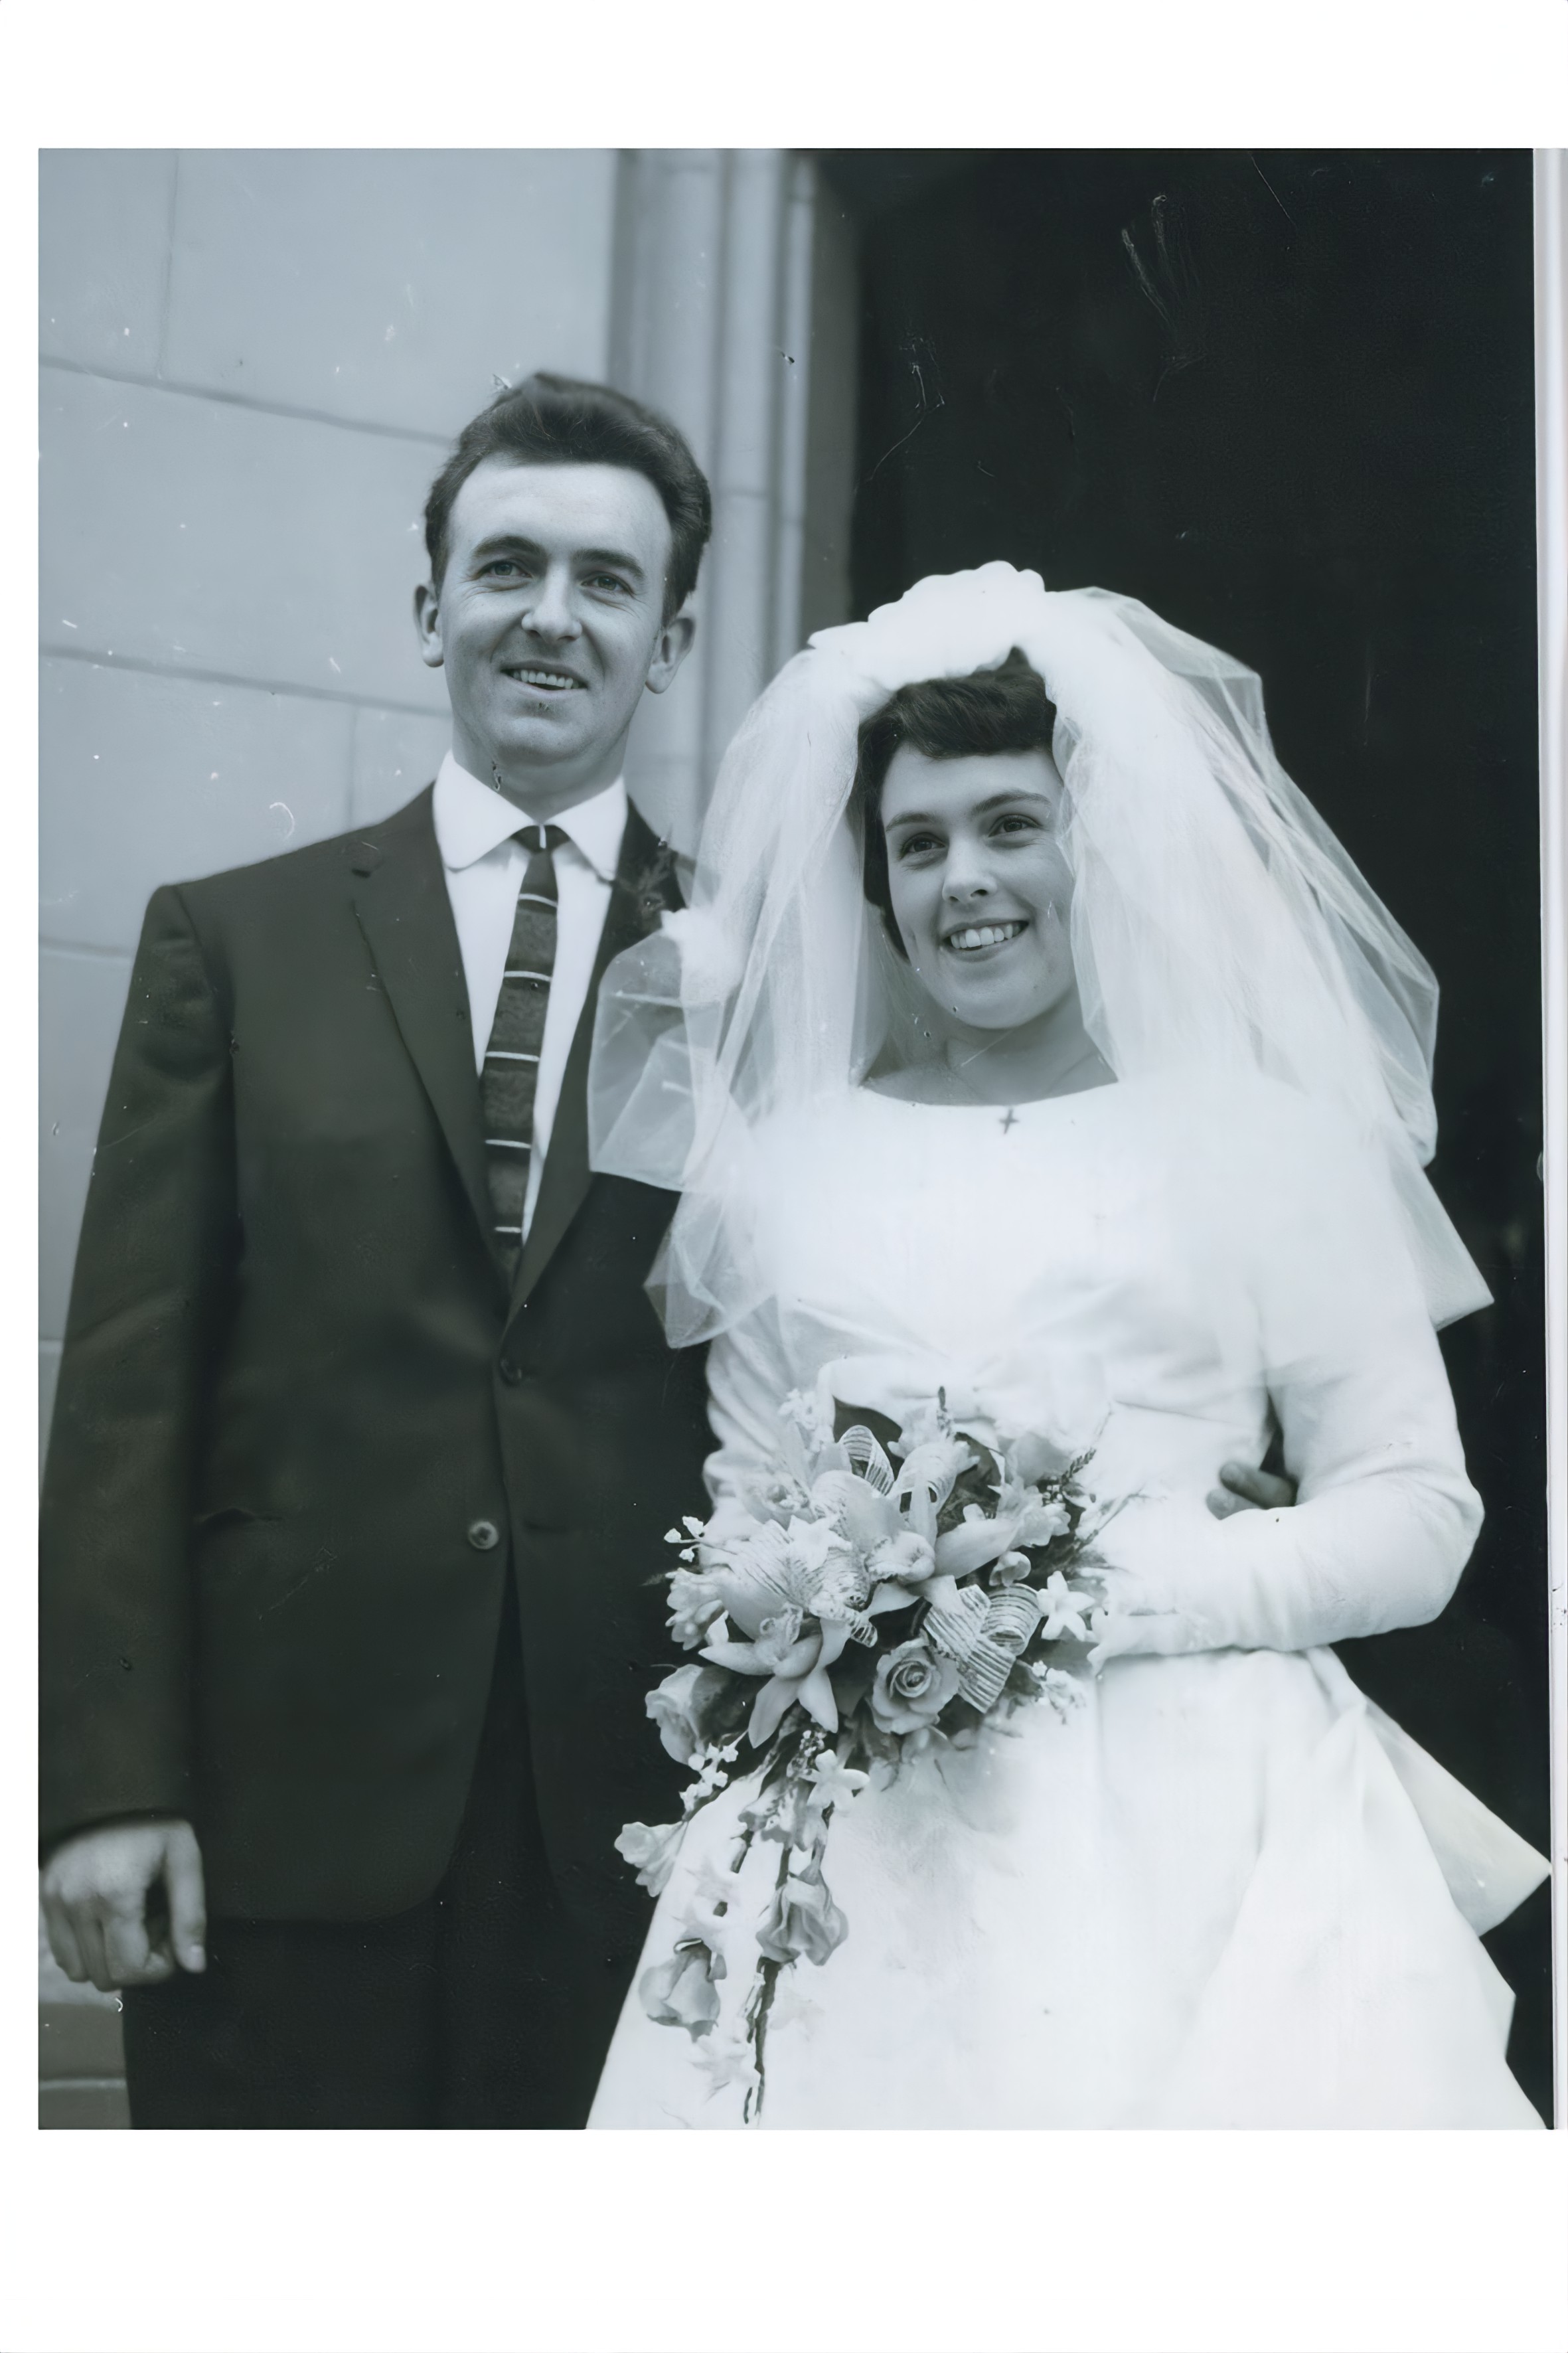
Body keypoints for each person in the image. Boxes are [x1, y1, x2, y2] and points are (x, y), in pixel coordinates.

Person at [584, 565, 1549, 2127]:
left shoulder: (1268, 1147)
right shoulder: (788, 1173)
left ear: (1098, 839)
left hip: (1199, 1819)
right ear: (876, 886)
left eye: (1008, 824)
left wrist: (1093, 1594)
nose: (963, 877)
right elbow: (749, 1509)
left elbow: (1415, 1512)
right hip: (862, 1859)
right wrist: (828, 1597)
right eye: (917, 842)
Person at [38, 374, 719, 2127]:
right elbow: (127, 1391)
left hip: (636, 1834)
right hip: (279, 1824)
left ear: (671, 638)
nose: (550, 616)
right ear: (431, 608)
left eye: (606, 579)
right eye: (506, 566)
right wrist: (106, 1782)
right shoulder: (235, 944)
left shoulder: (754, 967)